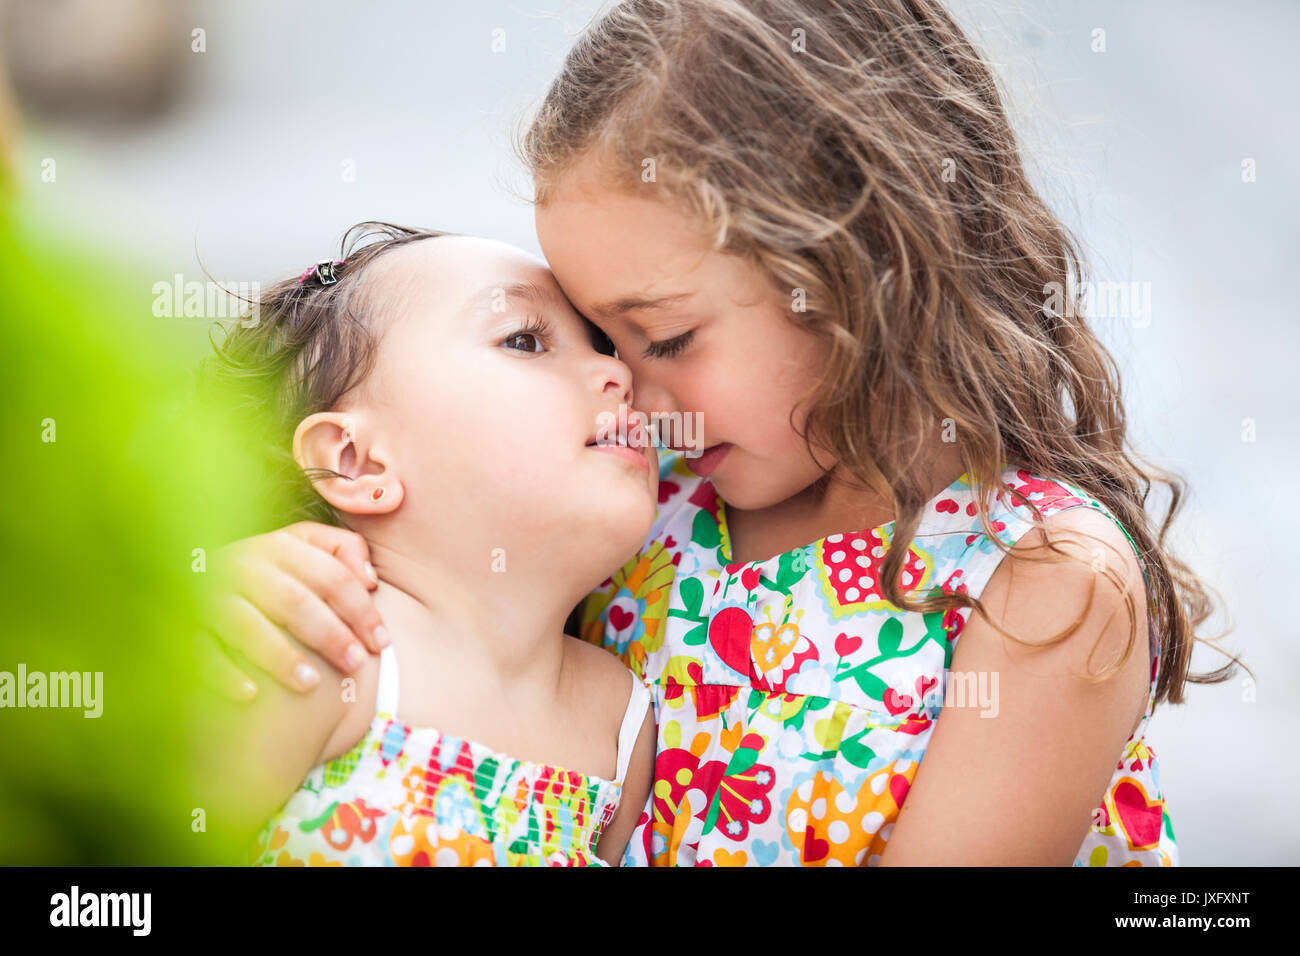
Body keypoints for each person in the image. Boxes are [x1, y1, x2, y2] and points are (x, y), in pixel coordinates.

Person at [202, 1, 1241, 866]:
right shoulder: (646, 508)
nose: (623, 385)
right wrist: (250, 582)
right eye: (599, 334)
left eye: (663, 336)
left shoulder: (1039, 585)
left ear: (856, 272)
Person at [203, 223, 656, 866]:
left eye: (603, 345)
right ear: (356, 463)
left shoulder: (620, 718)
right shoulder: (329, 646)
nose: (618, 370)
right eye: (524, 340)